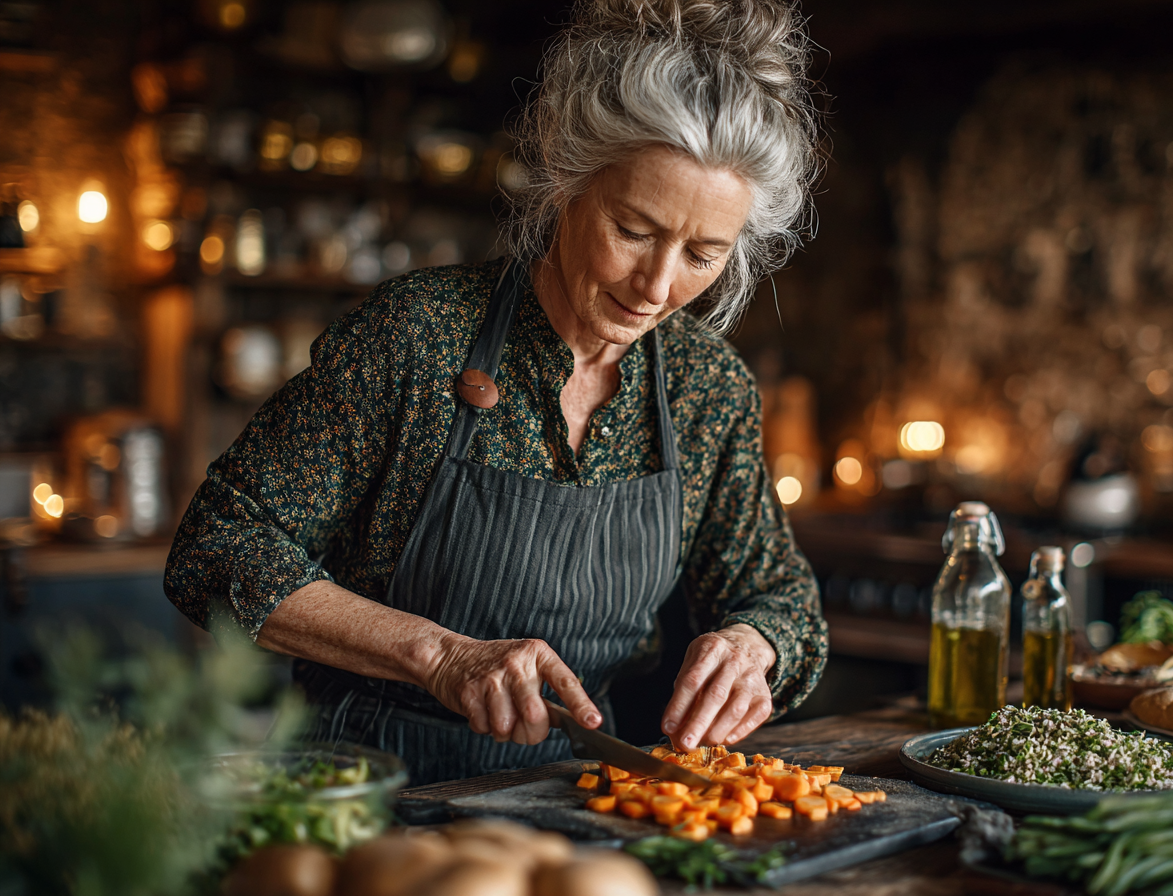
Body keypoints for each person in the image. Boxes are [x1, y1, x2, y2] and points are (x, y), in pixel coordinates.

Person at [165, 0, 827, 785]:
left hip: (581, 794)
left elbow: (778, 591)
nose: (655, 286)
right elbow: (218, 548)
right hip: (370, 786)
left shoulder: (705, 388)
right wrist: (441, 655)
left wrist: (755, 643)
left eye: (703, 254)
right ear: (566, 184)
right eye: (634, 230)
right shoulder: (415, 337)